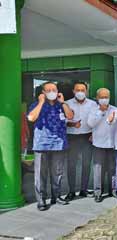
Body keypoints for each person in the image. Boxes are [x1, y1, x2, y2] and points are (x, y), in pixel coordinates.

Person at [27, 82, 74, 211]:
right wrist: (41, 102)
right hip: (41, 144)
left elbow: (70, 116)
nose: (52, 92)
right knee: (40, 174)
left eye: (54, 89)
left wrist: (63, 103)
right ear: (43, 92)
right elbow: (31, 118)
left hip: (59, 144)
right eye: (49, 90)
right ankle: (41, 199)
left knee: (57, 173)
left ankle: (56, 196)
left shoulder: (62, 105)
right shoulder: (36, 105)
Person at [65, 82, 97, 201]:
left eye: (83, 90)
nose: (80, 92)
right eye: (77, 90)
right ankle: (71, 191)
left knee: (86, 164)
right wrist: (72, 123)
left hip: (87, 137)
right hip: (72, 136)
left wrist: (93, 133)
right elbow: (62, 121)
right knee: (71, 165)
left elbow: (96, 120)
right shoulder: (67, 104)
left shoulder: (93, 104)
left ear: (86, 91)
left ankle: (83, 189)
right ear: (73, 91)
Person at [87, 88, 116, 203]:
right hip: (98, 144)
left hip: (112, 144)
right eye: (102, 97)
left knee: (112, 169)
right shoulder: (93, 110)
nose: (104, 99)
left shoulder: (114, 109)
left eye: (106, 97)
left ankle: (113, 190)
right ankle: (98, 192)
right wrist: (101, 112)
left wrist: (111, 120)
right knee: (98, 169)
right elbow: (90, 123)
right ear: (97, 98)